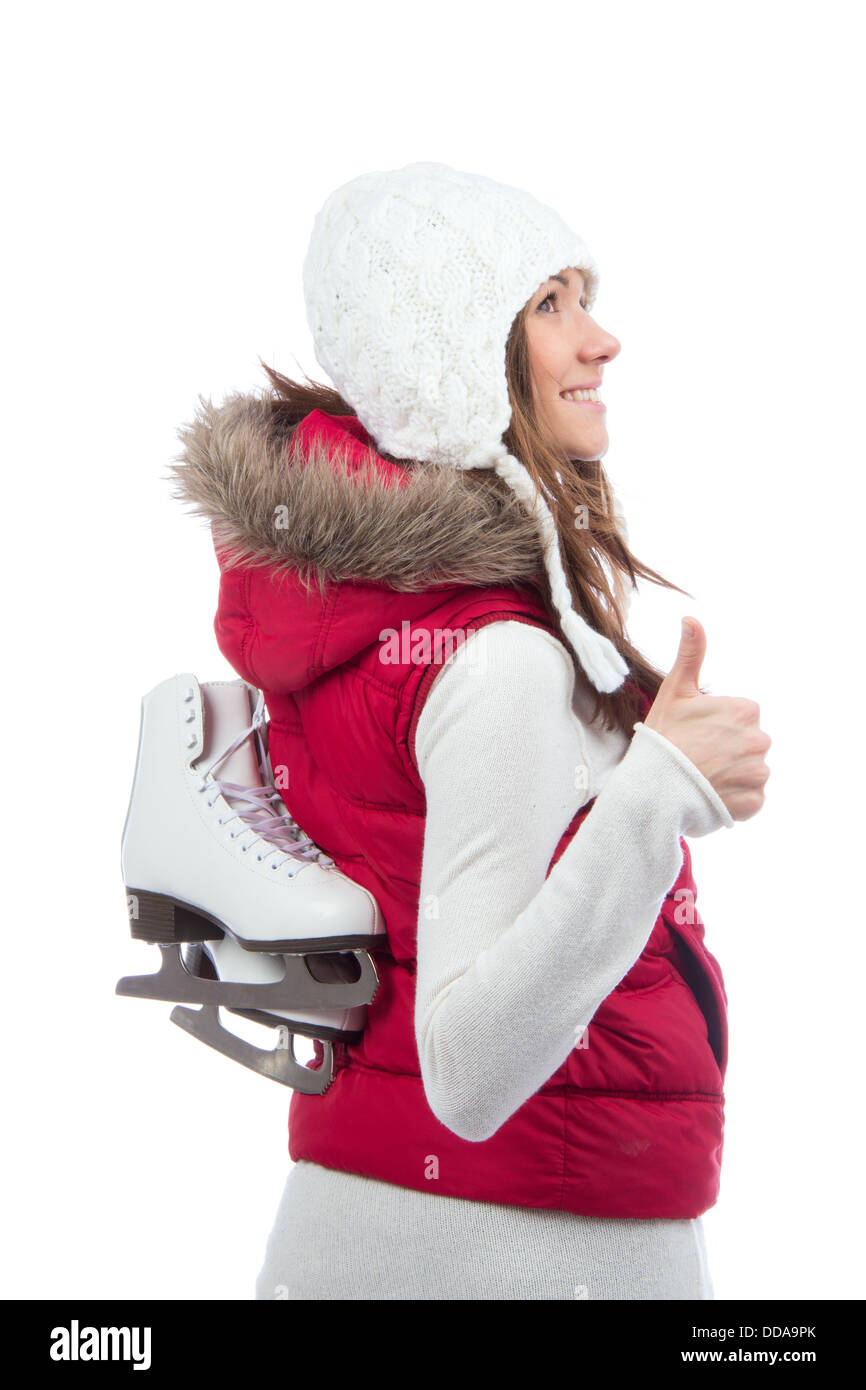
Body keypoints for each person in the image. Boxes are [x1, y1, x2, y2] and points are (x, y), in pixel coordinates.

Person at [173, 161, 771, 1300]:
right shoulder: (493, 661)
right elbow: (467, 1071)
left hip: (392, 1229)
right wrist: (651, 795)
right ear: (450, 357)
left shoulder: (386, 623)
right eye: (547, 305)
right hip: (512, 1250)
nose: (599, 340)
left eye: (579, 294)